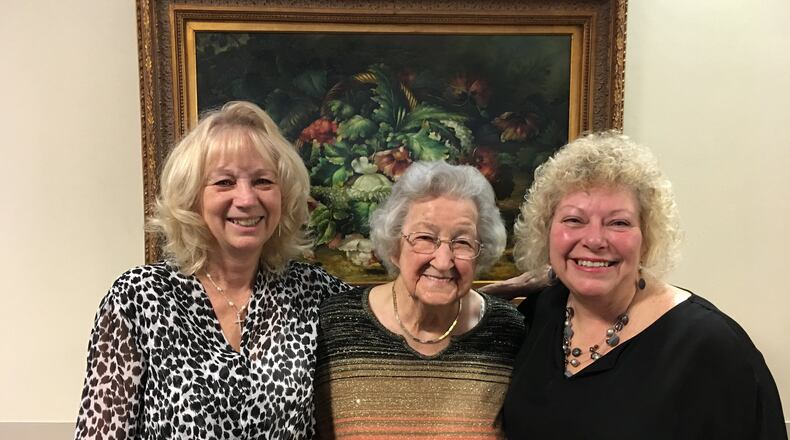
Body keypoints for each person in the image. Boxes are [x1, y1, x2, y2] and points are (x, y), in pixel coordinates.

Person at [74, 101, 349, 439]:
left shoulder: (319, 295)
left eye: (263, 181)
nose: (246, 199)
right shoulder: (138, 298)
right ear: (192, 197)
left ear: (284, 195)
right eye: (224, 182)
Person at [503, 132, 786, 439]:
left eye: (618, 222)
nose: (594, 240)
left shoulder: (711, 347)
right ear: (547, 230)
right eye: (574, 220)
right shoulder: (536, 314)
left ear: (647, 237)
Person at [314, 161, 526, 439]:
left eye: (462, 242)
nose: (443, 261)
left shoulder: (508, 331)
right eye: (425, 237)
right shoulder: (334, 325)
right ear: (395, 246)